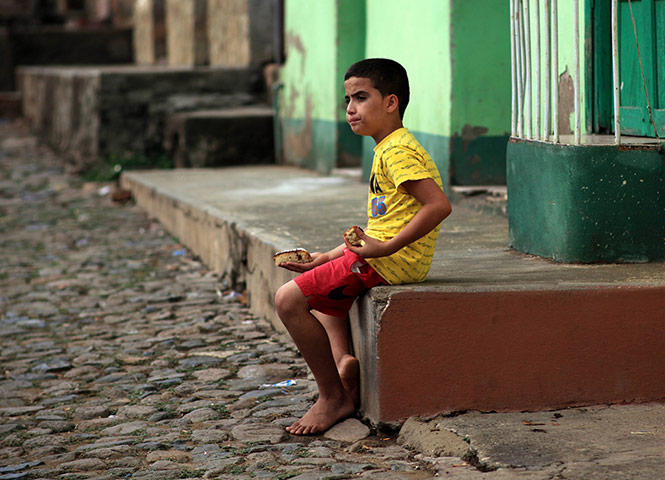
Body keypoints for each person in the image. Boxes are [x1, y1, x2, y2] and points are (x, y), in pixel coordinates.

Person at [274, 58, 452, 435]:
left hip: (390, 263)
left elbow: (438, 205)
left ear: (391, 102)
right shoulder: (387, 147)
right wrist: (327, 256)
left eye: (360, 97)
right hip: (383, 257)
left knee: (288, 301)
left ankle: (332, 397)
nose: (350, 108)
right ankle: (344, 367)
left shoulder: (397, 152)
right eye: (347, 100)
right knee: (324, 298)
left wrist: (386, 249)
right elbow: (380, 226)